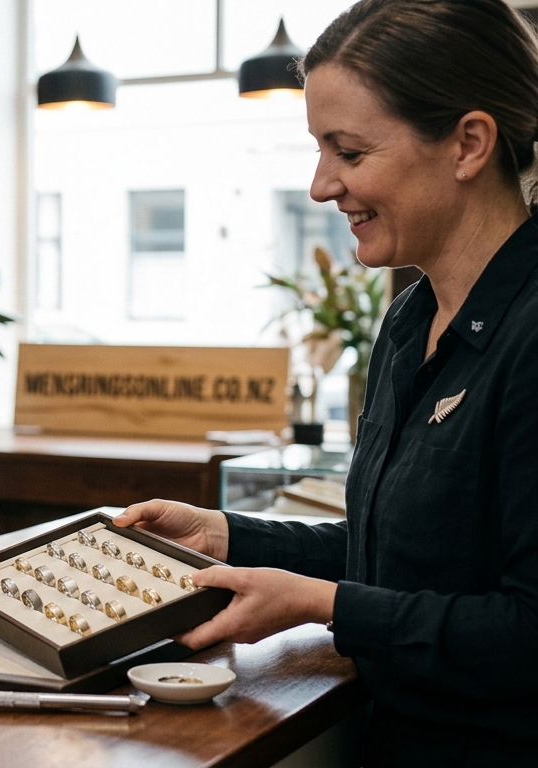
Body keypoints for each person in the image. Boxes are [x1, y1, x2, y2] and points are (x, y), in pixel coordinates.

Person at [114, 1, 538, 762]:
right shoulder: (411, 321)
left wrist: (323, 606)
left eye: (348, 151)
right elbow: (406, 557)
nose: (320, 186)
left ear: (469, 144)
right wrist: (226, 534)